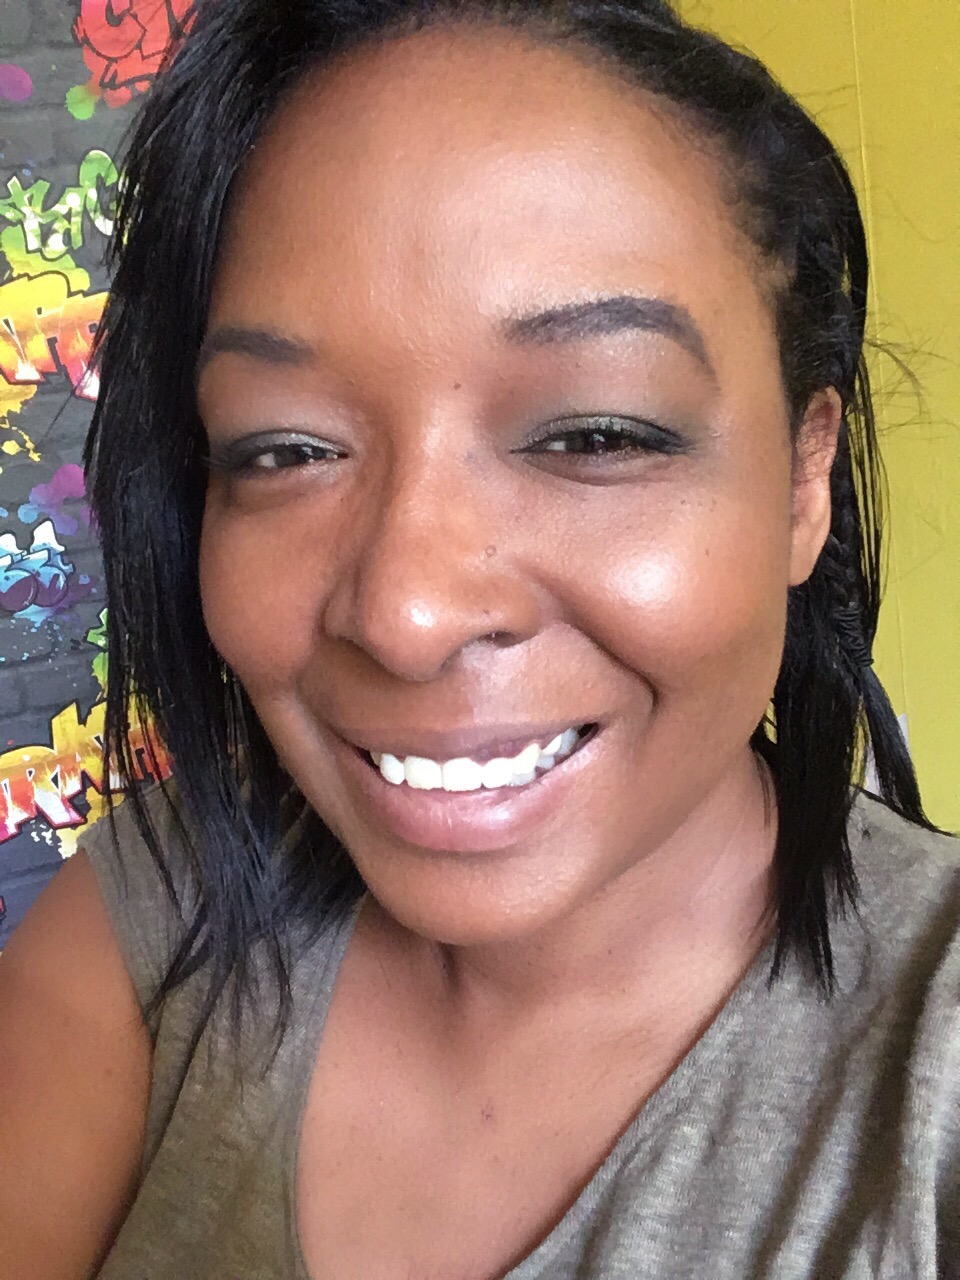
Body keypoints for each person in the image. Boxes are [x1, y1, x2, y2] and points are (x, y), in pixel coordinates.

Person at [1, 1, 957, 1276]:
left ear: (802, 477)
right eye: (284, 449)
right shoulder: (160, 904)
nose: (407, 615)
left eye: (595, 433)